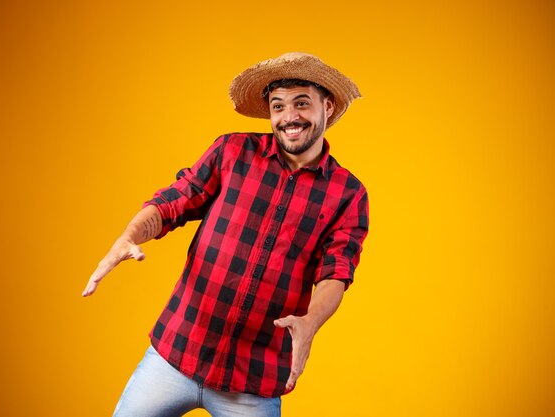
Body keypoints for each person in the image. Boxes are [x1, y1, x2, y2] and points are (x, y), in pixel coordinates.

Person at [82, 52, 370, 417]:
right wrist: (130, 235)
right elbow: (174, 201)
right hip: (174, 355)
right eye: (278, 106)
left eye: (301, 103)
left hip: (253, 380)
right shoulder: (232, 152)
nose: (289, 117)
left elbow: (336, 271)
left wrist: (310, 322)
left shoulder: (349, 194)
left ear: (327, 107)